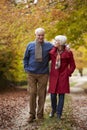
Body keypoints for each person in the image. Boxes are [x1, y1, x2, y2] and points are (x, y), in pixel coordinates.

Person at [23, 27, 53, 123]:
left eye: (42, 35)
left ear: (44, 35)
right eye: (39, 35)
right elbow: (25, 58)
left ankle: (40, 115)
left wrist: (66, 48)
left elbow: (58, 49)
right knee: (32, 93)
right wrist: (26, 68)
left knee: (42, 95)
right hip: (31, 73)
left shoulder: (49, 46)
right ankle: (31, 115)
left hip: (43, 74)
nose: (40, 37)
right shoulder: (30, 45)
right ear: (35, 35)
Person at [48, 35, 76, 119]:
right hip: (54, 76)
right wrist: (54, 47)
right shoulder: (53, 51)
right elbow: (50, 54)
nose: (55, 42)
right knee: (52, 95)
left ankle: (59, 114)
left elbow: (73, 65)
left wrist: (68, 73)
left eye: (57, 41)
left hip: (63, 76)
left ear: (60, 42)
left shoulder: (68, 52)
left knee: (61, 95)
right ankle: (53, 109)